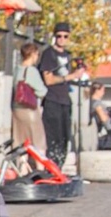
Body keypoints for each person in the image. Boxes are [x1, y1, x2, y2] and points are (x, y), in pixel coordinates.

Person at [38, 21, 77, 169]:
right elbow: (48, 79)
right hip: (52, 100)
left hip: (65, 101)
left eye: (65, 36)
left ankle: (58, 169)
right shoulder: (49, 54)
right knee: (53, 138)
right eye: (59, 36)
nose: (62, 39)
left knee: (64, 138)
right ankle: (51, 169)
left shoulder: (68, 55)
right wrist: (69, 77)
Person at [11, 41, 47, 170]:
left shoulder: (17, 69)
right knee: (38, 142)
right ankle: (40, 171)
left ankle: (23, 171)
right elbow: (42, 91)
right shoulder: (31, 71)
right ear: (32, 54)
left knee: (21, 142)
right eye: (37, 54)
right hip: (30, 110)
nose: (37, 57)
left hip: (16, 109)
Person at [89, 82, 111, 151]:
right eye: (102, 90)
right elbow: (103, 118)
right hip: (105, 130)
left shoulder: (91, 102)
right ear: (96, 90)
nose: (104, 93)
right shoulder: (96, 103)